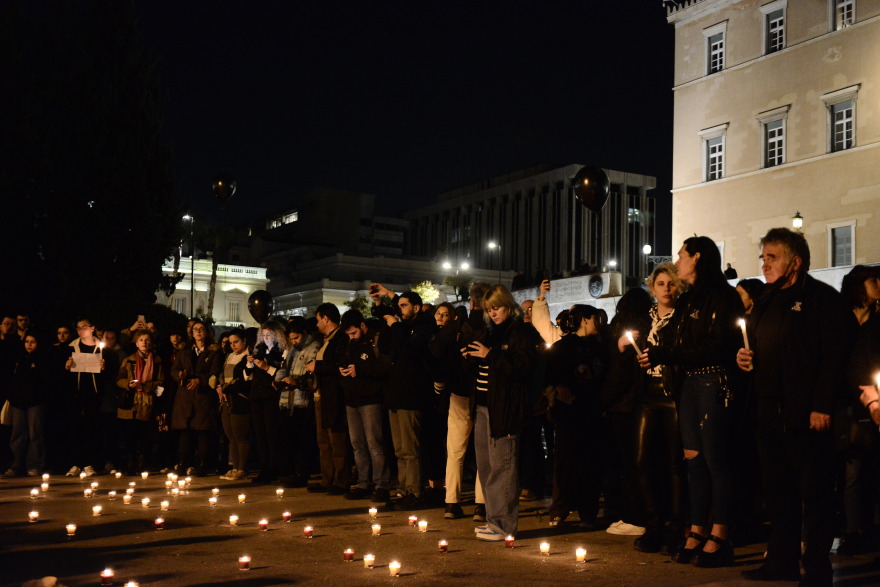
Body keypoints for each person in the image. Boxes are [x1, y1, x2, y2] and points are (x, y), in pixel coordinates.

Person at [737, 228, 858, 585]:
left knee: (815, 495)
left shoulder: (823, 300)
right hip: (769, 413)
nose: (765, 264)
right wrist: (744, 356)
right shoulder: (766, 301)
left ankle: (817, 568)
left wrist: (822, 405)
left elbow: (837, 358)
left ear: (796, 262)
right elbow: (755, 344)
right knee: (778, 495)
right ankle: (781, 561)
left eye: (772, 257)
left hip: (807, 416)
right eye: (763, 257)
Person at [641, 236, 744, 568]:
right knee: (694, 463)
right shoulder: (688, 301)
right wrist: (656, 346)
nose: (678, 261)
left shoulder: (723, 297)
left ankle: (720, 533)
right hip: (688, 385)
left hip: (714, 381)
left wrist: (665, 352)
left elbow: (716, 346)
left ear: (697, 258)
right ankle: (697, 529)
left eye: (682, 256)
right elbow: (673, 338)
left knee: (716, 461)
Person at [465, 284, 538, 541]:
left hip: (505, 408)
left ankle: (505, 525)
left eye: (496, 308)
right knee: (485, 466)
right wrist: (473, 355)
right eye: (489, 309)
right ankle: (493, 519)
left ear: (507, 305)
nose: (493, 313)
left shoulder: (520, 332)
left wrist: (490, 355)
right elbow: (486, 362)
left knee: (502, 466)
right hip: (484, 406)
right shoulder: (492, 332)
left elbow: (521, 368)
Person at [626, 264, 686, 554]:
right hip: (647, 394)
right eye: (661, 284)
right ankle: (654, 521)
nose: (666, 289)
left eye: (671, 284)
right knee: (641, 458)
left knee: (675, 462)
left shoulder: (683, 317)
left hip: (673, 393)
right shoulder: (644, 318)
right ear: (652, 288)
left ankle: (676, 525)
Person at [371, 284, 436, 510]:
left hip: (411, 393)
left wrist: (396, 326)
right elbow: (390, 348)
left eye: (404, 305)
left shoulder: (424, 326)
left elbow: (409, 350)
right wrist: (383, 305)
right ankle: (404, 489)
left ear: (416, 308)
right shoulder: (402, 326)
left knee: (410, 449)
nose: (400, 309)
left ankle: (415, 492)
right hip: (396, 393)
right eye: (399, 306)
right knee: (399, 450)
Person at [830, 265, 880, 556]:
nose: (879, 284)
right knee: (851, 466)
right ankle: (852, 528)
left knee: (867, 466)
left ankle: (865, 526)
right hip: (846, 400)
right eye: (874, 280)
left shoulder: (876, 320)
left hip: (870, 397)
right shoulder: (841, 317)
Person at [545, 304, 609, 529]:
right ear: (585, 320)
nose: (597, 324)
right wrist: (557, 386)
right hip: (570, 412)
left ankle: (588, 512)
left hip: (592, 412)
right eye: (594, 319)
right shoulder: (564, 347)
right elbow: (549, 371)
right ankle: (560, 509)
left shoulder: (600, 347)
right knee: (565, 462)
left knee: (590, 463)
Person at [429, 301, 484, 519]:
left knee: (455, 451)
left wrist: (440, 384)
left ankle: (451, 502)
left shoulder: (453, 332)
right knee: (482, 454)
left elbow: (437, 358)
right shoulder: (486, 328)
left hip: (459, 394)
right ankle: (481, 503)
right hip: (481, 395)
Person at [338, 309, 391, 503]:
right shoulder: (349, 344)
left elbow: (384, 366)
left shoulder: (375, 340)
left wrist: (360, 370)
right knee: (357, 444)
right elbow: (344, 362)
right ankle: (363, 482)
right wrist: (343, 372)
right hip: (352, 399)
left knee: (374, 443)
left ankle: (381, 484)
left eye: (353, 333)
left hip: (371, 399)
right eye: (348, 334)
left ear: (362, 325)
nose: (351, 337)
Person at [304, 303, 351, 494]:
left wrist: (318, 366)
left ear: (325, 318)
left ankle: (341, 479)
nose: (316, 324)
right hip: (320, 395)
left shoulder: (340, 339)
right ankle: (327, 478)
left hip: (334, 396)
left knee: (336, 439)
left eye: (317, 320)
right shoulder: (326, 340)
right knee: (323, 441)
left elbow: (339, 365)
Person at [171, 320, 222, 477]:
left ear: (206, 333)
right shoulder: (184, 351)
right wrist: (181, 377)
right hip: (186, 395)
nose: (198, 332)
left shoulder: (213, 352)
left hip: (203, 396)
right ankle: (183, 462)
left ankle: (202, 464)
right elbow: (174, 369)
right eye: (195, 330)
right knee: (185, 431)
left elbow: (215, 372)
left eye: (201, 329)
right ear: (191, 334)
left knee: (202, 432)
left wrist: (200, 380)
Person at [116, 330, 163, 475]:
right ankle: (131, 465)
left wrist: (145, 386)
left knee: (144, 437)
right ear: (136, 343)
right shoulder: (128, 360)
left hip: (146, 403)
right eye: (141, 340)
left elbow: (161, 383)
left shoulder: (157, 361)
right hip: (130, 404)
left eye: (147, 340)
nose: (144, 342)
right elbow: (119, 379)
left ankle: (143, 464)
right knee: (130, 437)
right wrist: (128, 384)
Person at [246, 320, 288, 484]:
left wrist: (266, 368)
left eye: (269, 335)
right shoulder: (259, 350)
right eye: (263, 335)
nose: (266, 338)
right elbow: (247, 375)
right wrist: (250, 364)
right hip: (257, 395)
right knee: (260, 434)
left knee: (272, 433)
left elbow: (281, 371)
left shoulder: (281, 352)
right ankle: (265, 468)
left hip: (272, 396)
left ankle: (276, 468)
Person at [64, 318, 106, 477]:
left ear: (92, 328)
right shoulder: (71, 347)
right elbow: (63, 373)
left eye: (85, 327)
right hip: (76, 394)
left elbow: (107, 375)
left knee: (91, 428)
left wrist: (103, 368)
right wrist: (67, 366)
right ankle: (75, 463)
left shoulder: (100, 347)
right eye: (79, 328)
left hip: (93, 394)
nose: (81, 330)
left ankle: (89, 463)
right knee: (75, 428)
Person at [4, 333, 50, 477]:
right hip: (18, 401)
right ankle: (15, 465)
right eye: (27, 341)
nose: (29, 344)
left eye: (33, 341)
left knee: (35, 433)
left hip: (36, 401)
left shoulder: (43, 358)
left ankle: (35, 465)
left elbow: (44, 380)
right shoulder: (19, 358)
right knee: (17, 433)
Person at [216, 330, 250, 481]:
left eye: (236, 341)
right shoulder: (229, 356)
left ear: (244, 340)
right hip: (226, 401)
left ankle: (242, 468)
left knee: (240, 435)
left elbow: (244, 380)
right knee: (231, 436)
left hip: (240, 400)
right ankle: (234, 466)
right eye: (230, 342)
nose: (233, 345)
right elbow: (222, 374)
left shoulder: (247, 357)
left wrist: (227, 388)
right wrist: (220, 386)